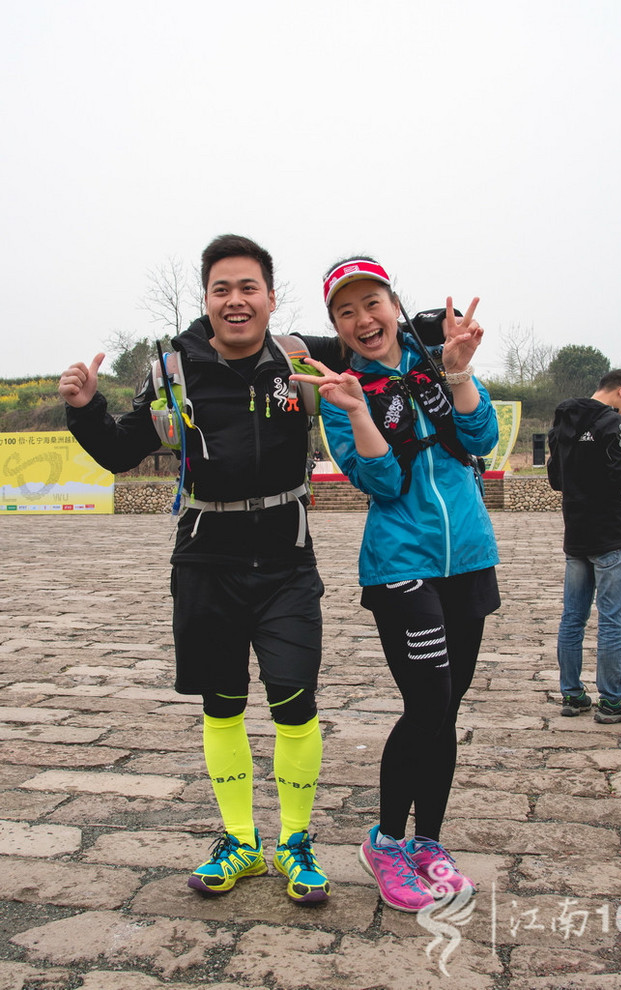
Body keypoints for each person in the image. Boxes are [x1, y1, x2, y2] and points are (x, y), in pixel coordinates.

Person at [58, 234, 331, 904]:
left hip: (287, 560)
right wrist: (84, 408)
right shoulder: (175, 372)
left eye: (248, 288)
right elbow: (122, 452)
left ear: (270, 296)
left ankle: (294, 845)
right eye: (221, 290)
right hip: (207, 560)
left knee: (295, 701)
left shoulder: (301, 360)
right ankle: (241, 842)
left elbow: (382, 354)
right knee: (224, 704)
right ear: (207, 300)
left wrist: (444, 351)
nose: (235, 301)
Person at [291, 256, 500, 913]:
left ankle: (427, 843)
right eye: (344, 312)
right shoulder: (341, 388)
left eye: (371, 303)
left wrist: (460, 374)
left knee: (448, 708)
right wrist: (356, 413)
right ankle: (385, 842)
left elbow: (481, 438)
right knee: (429, 698)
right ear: (337, 325)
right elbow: (382, 484)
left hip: (468, 554)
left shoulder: (436, 361)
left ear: (393, 303)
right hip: (400, 563)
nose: (362, 319)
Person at [547, 369, 621, 723]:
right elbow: (619, 473)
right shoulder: (613, 423)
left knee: (572, 618)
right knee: (612, 622)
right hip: (610, 533)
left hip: (576, 533)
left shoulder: (563, 419)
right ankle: (612, 699)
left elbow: (556, 478)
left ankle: (572, 694)